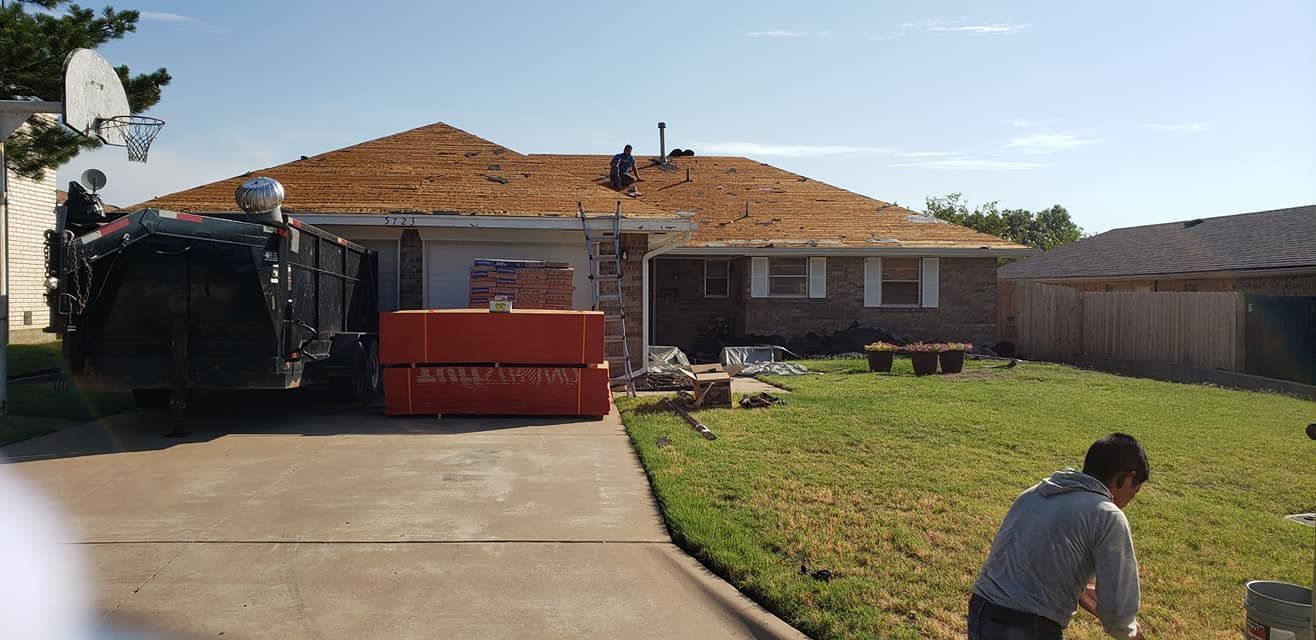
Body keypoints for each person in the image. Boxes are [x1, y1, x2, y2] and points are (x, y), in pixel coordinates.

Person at [969, 433, 1149, 640]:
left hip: (981, 612)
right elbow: (1117, 609)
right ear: (1127, 477)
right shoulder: (1108, 516)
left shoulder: (1035, 493)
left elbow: (1028, 563)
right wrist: (1130, 633)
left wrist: (1079, 590)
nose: (1127, 502)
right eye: (1133, 492)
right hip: (1027, 627)